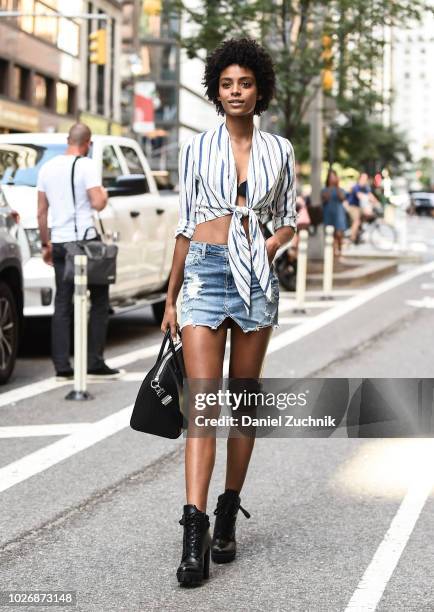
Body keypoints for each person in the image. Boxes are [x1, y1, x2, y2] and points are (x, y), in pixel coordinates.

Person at [161, 38, 296, 586]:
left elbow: (288, 219)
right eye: (226, 84)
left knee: (241, 399)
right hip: (205, 274)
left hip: (255, 278)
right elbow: (185, 225)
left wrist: (267, 247)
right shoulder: (195, 148)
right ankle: (192, 529)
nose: (236, 92)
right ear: (216, 91)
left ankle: (226, 511)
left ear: (259, 89)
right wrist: (170, 298)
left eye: (245, 84)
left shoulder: (280, 151)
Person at [37, 123, 120, 380]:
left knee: (62, 303)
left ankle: (62, 366)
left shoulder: (47, 168)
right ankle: (94, 361)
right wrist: (104, 194)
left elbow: (41, 211)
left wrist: (46, 244)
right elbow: (97, 202)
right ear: (88, 143)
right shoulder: (86, 165)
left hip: (60, 243)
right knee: (99, 299)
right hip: (84, 242)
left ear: (67, 140)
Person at [347, 172, 379, 242]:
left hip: (360, 207)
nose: (364, 180)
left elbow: (371, 195)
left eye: (366, 178)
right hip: (353, 206)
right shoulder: (356, 187)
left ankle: (359, 232)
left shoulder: (366, 188)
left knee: (369, 215)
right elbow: (360, 196)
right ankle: (352, 237)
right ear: (360, 178)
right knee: (357, 220)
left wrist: (376, 203)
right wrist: (368, 199)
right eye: (363, 178)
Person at [321, 169, 347, 256]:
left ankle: (340, 250)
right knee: (330, 234)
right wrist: (329, 190)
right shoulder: (324, 190)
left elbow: (342, 198)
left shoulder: (340, 189)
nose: (332, 178)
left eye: (333, 176)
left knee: (339, 233)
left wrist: (337, 186)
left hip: (338, 213)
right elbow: (324, 199)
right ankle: (332, 253)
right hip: (328, 213)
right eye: (330, 177)